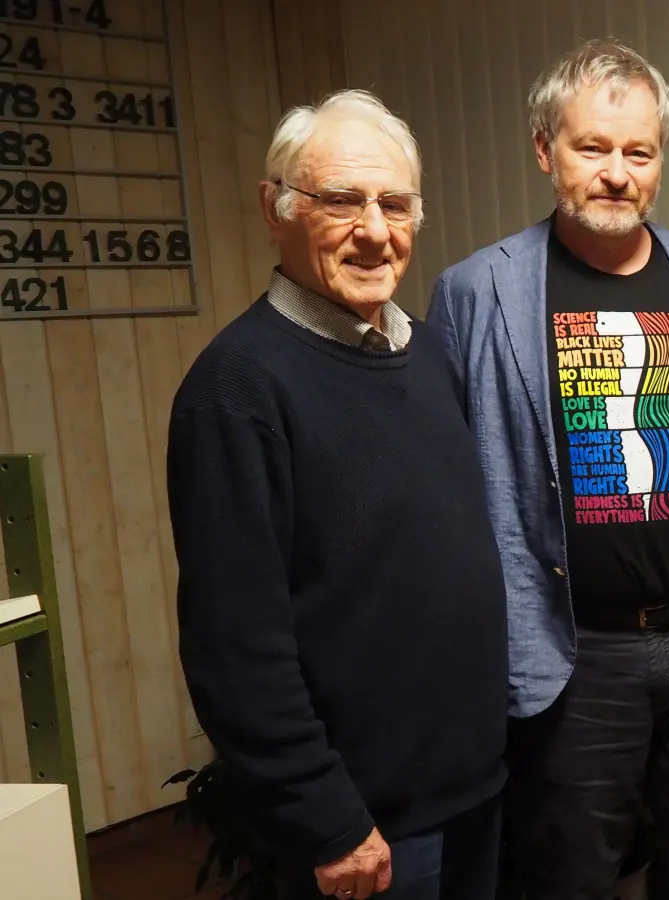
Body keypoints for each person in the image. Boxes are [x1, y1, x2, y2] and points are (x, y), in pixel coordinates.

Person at [425, 39, 669, 900]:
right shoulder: (477, 293)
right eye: (592, 147)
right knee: (568, 879)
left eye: (638, 152)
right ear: (544, 149)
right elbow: (446, 487)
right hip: (570, 658)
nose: (616, 173)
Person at [167, 90, 508, 900]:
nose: (374, 230)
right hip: (363, 826)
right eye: (342, 201)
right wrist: (323, 814)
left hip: (473, 797)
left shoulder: (427, 357)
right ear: (274, 209)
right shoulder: (237, 389)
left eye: (394, 203)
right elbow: (233, 641)